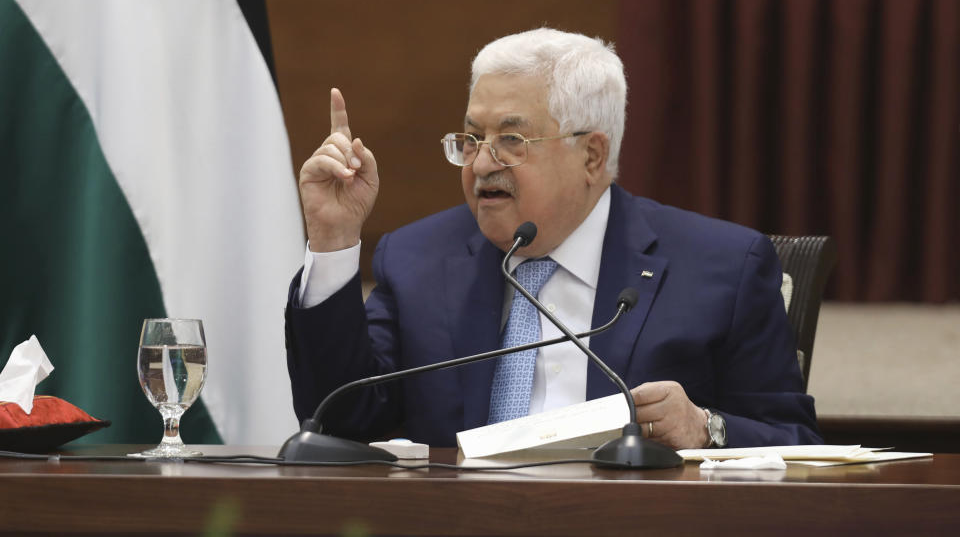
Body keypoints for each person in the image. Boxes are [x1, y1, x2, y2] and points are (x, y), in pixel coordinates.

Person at [284, 28, 821, 449]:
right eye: (472, 139)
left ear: (591, 155)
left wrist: (706, 428)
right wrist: (333, 241)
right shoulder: (419, 258)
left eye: (511, 140)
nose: (482, 163)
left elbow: (795, 443)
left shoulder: (723, 267)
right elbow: (339, 417)